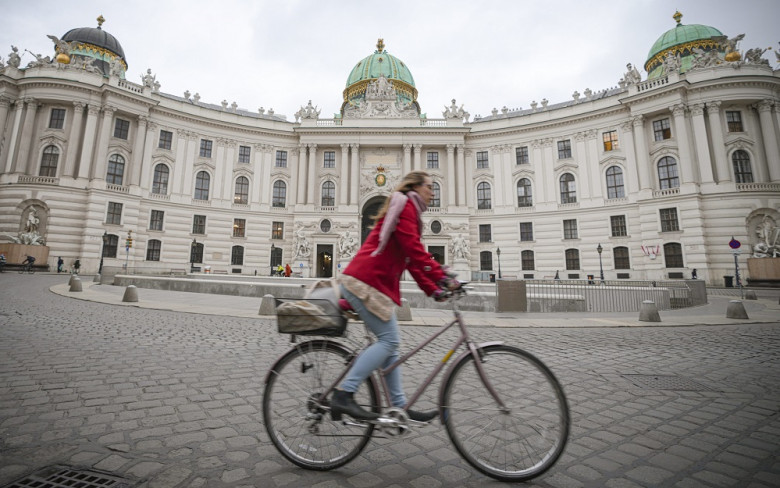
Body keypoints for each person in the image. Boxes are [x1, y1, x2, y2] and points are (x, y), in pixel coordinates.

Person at [331, 170, 458, 423]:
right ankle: (344, 394)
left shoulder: (408, 210)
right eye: (429, 187)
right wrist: (441, 278)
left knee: (389, 346)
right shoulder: (406, 206)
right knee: (388, 341)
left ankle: (398, 407)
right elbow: (414, 250)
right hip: (364, 283)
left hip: (372, 284)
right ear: (416, 187)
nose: (433, 192)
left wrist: (433, 289)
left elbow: (410, 259)